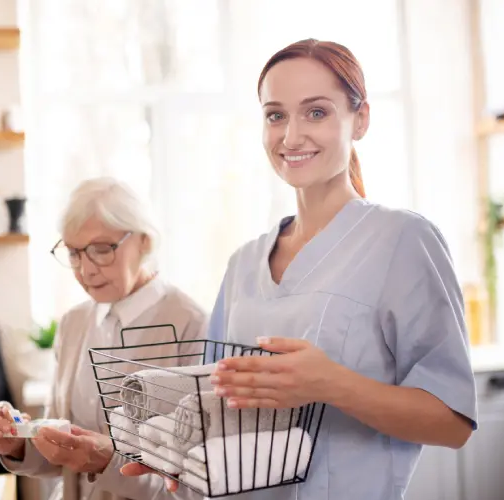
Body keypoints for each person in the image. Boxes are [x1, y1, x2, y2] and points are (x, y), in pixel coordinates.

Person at [122, 39, 478, 499]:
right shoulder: (244, 263)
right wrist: (178, 452)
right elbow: (216, 401)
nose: (291, 137)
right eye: (275, 115)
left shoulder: (403, 241)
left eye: (316, 112)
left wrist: (330, 384)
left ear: (361, 119)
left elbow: (451, 423)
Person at [0, 176, 209, 500]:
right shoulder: (74, 324)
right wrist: (18, 443)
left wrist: (107, 460)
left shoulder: (191, 325)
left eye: (101, 249)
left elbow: (195, 478)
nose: (86, 270)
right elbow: (59, 448)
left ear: (144, 241)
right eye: (74, 253)